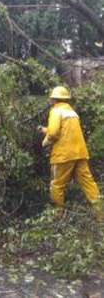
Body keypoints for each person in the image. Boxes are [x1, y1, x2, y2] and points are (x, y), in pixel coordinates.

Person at [37, 86, 101, 216]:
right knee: (88, 184)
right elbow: (62, 129)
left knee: (57, 185)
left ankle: (58, 215)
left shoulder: (56, 111)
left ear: (54, 99)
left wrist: (45, 142)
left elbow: (54, 133)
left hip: (63, 155)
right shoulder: (71, 112)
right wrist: (43, 129)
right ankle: (101, 213)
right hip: (80, 153)